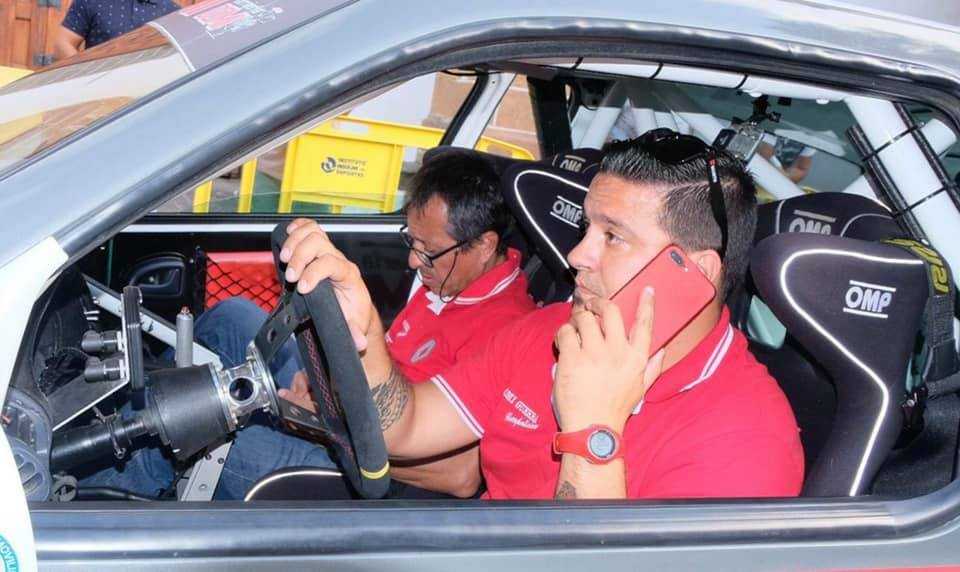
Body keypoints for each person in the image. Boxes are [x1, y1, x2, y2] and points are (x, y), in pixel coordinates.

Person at [280, 129, 805, 500]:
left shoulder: (746, 443)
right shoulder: (549, 329)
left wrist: (594, 430)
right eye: (587, 228)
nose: (577, 254)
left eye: (613, 237)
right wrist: (363, 330)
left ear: (695, 273)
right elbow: (406, 427)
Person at [81, 149, 534, 499]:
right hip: (351, 408)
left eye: (428, 251)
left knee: (192, 429)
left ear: (483, 245)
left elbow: (459, 476)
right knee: (233, 316)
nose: (415, 262)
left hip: (374, 474)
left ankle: (80, 501)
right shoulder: (449, 281)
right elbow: (388, 367)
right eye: (411, 242)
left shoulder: (507, 330)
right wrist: (324, 380)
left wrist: (324, 422)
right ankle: (120, 413)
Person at [54, 0, 180, 61]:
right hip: (100, 95)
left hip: (150, 96)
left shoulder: (171, 11)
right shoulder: (92, 1)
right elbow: (63, 43)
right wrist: (86, 77)